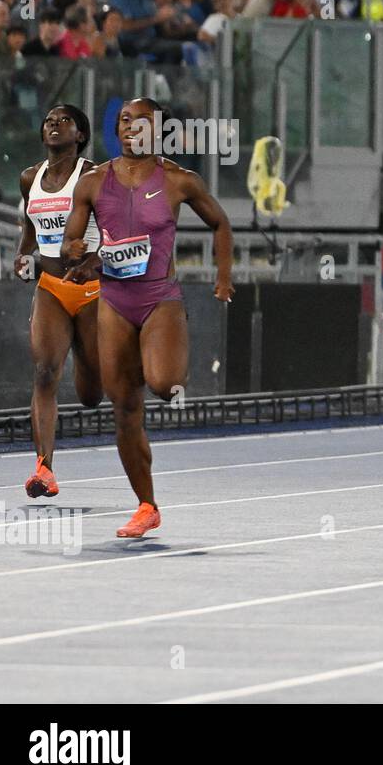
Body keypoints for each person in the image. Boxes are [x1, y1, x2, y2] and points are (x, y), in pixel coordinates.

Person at [63, 98, 234, 538]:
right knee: (124, 408)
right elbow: (70, 241)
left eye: (138, 122)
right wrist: (79, 252)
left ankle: (161, 353)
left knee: (164, 384)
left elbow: (220, 223)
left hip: (160, 298)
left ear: (156, 130)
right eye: (122, 121)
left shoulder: (179, 180)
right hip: (115, 302)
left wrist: (224, 278)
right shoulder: (93, 181)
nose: (128, 128)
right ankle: (146, 505)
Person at [15, 105, 102, 499]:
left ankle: (87, 361)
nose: (53, 124)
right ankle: (44, 468)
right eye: (48, 119)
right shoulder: (29, 178)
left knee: (90, 394)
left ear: (80, 134)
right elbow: (29, 226)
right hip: (50, 285)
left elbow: (119, 226)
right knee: (45, 372)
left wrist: (96, 259)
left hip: (93, 290)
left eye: (64, 120)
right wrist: (22, 255)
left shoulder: (93, 175)